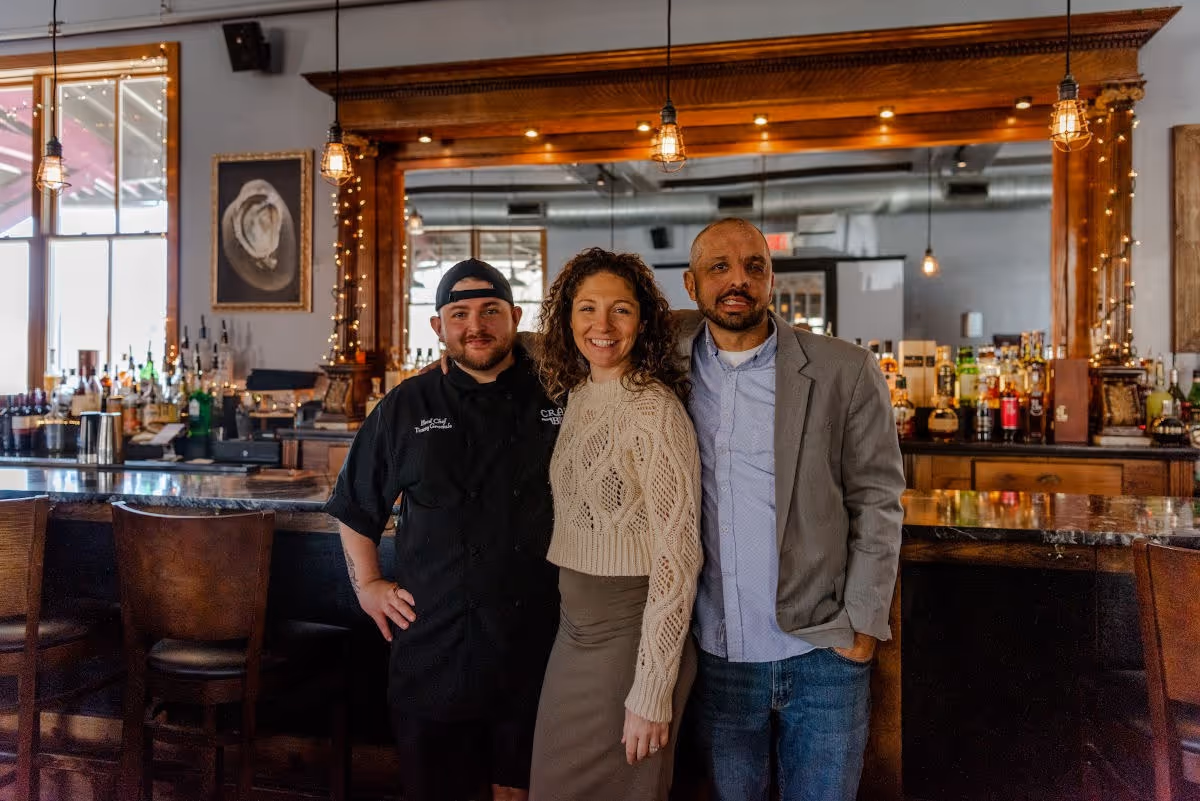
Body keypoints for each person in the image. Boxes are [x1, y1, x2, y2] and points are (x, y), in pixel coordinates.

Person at [678, 218, 905, 801]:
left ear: (771, 278)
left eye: (754, 266)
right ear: (690, 285)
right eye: (719, 268)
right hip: (717, 651)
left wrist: (861, 624)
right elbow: (578, 333)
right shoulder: (667, 364)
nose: (739, 281)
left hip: (822, 651)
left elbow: (878, 498)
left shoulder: (843, 369)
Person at [324, 258, 563, 801]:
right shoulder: (405, 405)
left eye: (490, 311)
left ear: (515, 318)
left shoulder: (557, 395)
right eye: (459, 314)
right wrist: (368, 586)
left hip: (537, 644)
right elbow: (355, 505)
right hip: (437, 647)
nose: (475, 325)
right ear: (438, 327)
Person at [528, 248, 703, 801]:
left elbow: (679, 555)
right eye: (587, 309)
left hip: (630, 638)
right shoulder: (578, 396)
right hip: (572, 633)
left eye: (620, 310)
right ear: (567, 319)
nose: (601, 326)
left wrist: (652, 690)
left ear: (644, 320)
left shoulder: (655, 409)